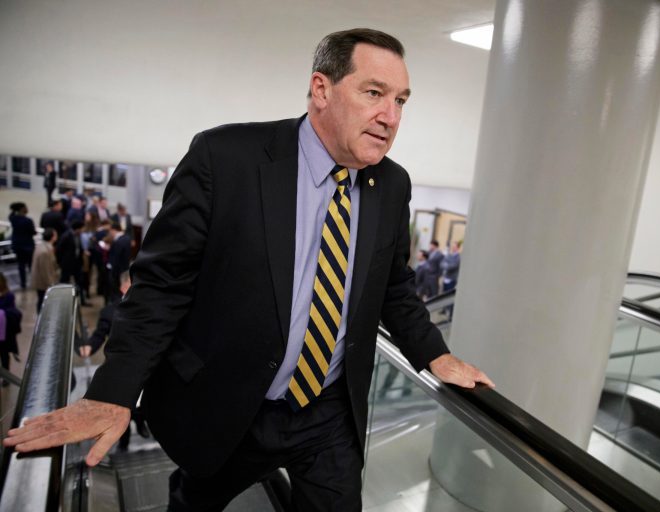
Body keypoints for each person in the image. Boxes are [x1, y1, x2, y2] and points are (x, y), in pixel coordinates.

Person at [4, 28, 493, 512]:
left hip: (327, 413)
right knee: (195, 500)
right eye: (374, 93)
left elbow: (394, 286)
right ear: (321, 89)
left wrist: (434, 354)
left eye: (401, 100)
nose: (391, 116)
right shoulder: (225, 158)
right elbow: (161, 287)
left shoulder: (391, 184)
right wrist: (112, 392)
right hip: (230, 404)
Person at [76, 272, 148, 449]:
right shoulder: (109, 312)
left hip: (145, 364)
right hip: (121, 367)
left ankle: (140, 421)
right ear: (123, 287)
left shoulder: (149, 305)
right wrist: (89, 346)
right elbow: (100, 334)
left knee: (143, 399)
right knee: (123, 403)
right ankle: (124, 439)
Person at [0, 273, 22, 386]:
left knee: (4, 355)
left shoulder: (9, 296)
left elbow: (11, 311)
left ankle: (6, 378)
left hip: (4, 332)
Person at [9, 202, 36, 289]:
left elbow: (11, 215)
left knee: (21, 265)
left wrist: (14, 210)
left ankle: (23, 283)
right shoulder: (28, 221)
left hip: (18, 246)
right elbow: (33, 232)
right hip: (28, 246)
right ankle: (33, 281)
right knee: (30, 265)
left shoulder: (13, 219)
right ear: (22, 209)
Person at [30, 228, 58, 312]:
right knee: (43, 301)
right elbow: (45, 270)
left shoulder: (42, 246)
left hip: (41, 280)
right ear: (52, 237)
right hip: (43, 282)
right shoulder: (44, 251)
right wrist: (50, 285)